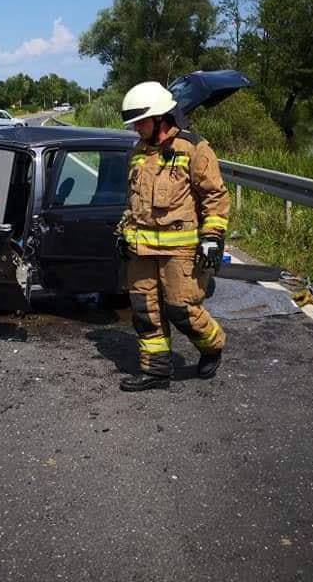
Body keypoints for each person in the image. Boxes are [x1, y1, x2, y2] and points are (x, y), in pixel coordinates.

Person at [114, 81, 230, 392]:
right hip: (141, 250)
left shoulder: (194, 149)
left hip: (180, 251)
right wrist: (124, 232)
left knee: (182, 310)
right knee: (144, 310)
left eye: (141, 121)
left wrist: (212, 238)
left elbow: (215, 198)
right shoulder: (138, 153)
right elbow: (134, 202)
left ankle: (213, 345)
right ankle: (156, 371)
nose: (137, 128)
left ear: (161, 118)